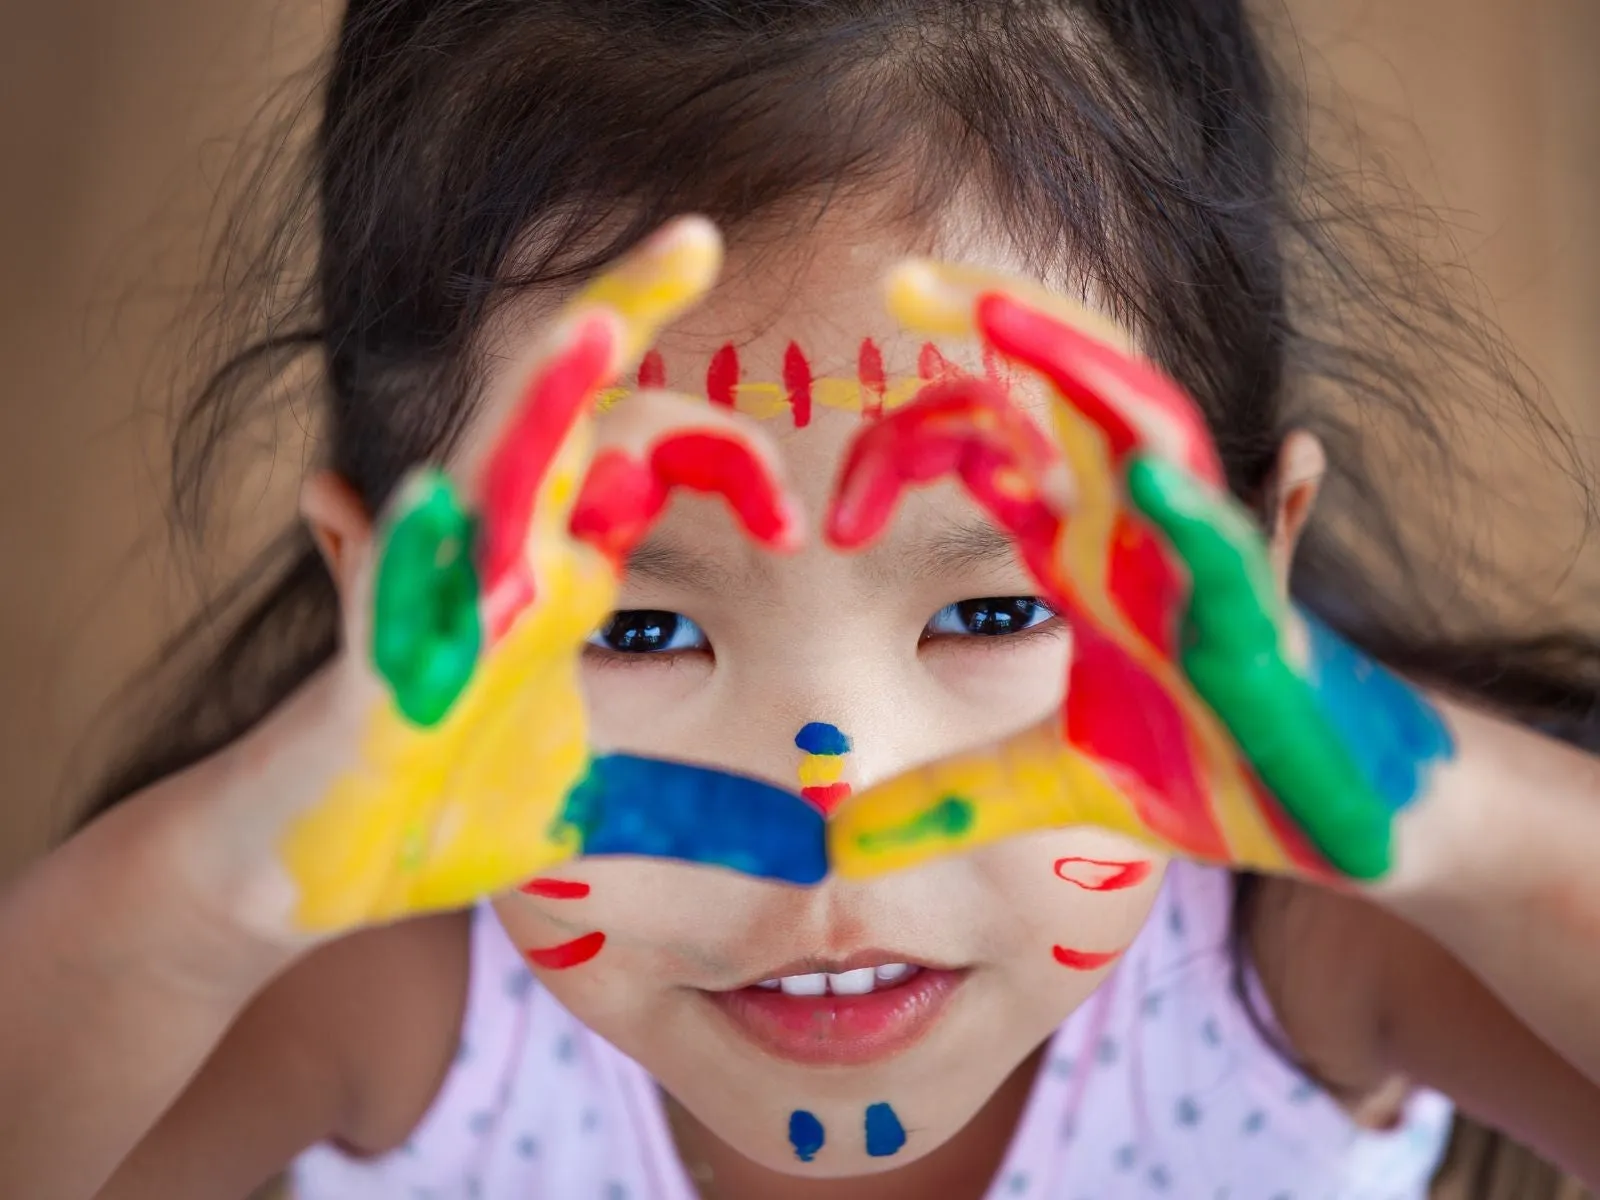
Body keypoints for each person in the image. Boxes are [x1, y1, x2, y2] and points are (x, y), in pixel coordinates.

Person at [2, 2, 1597, 1198]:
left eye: (991, 612)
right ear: (376, 602)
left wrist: (1439, 813)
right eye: (632, 626)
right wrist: (231, 879)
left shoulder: (1301, 958)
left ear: (1253, 568)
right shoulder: (400, 1005)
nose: (828, 778)